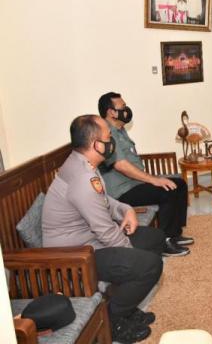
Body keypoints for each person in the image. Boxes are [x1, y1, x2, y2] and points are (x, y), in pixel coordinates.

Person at [42, 115, 163, 343]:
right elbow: (106, 231)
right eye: (108, 137)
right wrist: (132, 254)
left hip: (90, 242)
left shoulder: (83, 162)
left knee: (154, 239)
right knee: (149, 265)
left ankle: (124, 305)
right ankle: (113, 320)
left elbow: (104, 201)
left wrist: (126, 210)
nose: (111, 141)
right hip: (75, 257)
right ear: (96, 144)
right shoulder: (82, 177)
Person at [97, 92, 191, 257]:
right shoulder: (106, 133)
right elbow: (121, 165)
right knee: (166, 191)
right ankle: (164, 242)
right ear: (111, 112)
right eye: (123, 107)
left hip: (134, 183)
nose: (126, 110)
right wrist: (154, 180)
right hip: (122, 191)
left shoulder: (120, 130)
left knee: (180, 184)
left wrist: (153, 180)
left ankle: (174, 234)